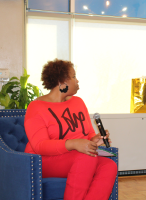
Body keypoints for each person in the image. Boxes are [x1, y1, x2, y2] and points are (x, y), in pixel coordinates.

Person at [24, 59, 117, 200]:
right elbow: (39, 146)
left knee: (109, 166)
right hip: (43, 160)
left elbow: (87, 133)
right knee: (86, 156)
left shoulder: (78, 102)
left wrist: (93, 139)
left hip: (76, 156)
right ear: (62, 83)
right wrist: (73, 144)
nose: (77, 80)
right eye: (73, 76)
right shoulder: (36, 107)